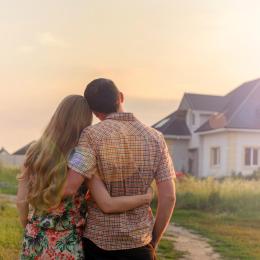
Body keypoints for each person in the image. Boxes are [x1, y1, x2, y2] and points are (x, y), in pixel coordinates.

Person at [16, 95, 153, 260]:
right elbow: (107, 203)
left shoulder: (34, 151)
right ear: (85, 121)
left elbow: (20, 201)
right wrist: (146, 197)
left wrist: (30, 228)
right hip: (67, 244)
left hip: (34, 240)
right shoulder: (82, 157)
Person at [64, 79, 176, 260]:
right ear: (121, 97)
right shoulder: (156, 138)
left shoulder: (90, 136)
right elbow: (169, 197)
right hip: (140, 244)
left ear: (94, 112)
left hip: (97, 244)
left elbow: (72, 182)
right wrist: (153, 241)